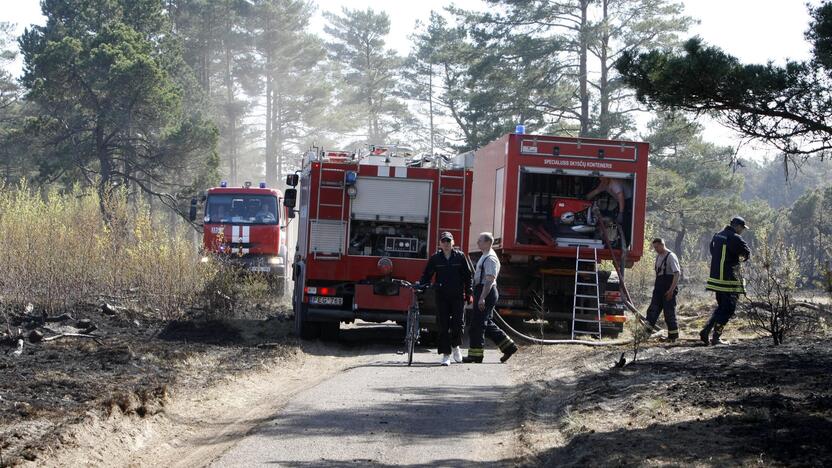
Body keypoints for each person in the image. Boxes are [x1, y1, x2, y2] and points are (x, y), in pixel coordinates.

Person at [419, 232, 473, 366]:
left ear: (453, 243)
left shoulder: (460, 257)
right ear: (440, 243)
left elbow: (468, 276)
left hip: (457, 296)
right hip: (441, 296)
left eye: (449, 241)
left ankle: (456, 346)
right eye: (444, 241)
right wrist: (421, 287)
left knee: (458, 324)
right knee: (443, 325)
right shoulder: (435, 258)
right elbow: (426, 275)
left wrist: (469, 293)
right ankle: (446, 355)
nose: (447, 244)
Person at [463, 232, 518, 364]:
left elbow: (489, 280)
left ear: (487, 242)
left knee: (477, 325)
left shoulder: (491, 258)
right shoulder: (485, 256)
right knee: (485, 323)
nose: (478, 243)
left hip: (485, 292)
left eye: (480, 241)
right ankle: (509, 347)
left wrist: (482, 298)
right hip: (482, 291)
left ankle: (476, 355)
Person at [700, 216, 751, 346]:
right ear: (738, 226)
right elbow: (746, 253)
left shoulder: (717, 236)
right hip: (729, 280)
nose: (742, 231)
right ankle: (716, 338)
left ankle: (706, 331)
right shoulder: (735, 237)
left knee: (721, 307)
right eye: (742, 228)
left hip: (716, 279)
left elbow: (712, 251)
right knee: (729, 309)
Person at [646, 238, 681, 341]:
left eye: (657, 247)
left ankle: (673, 337)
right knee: (652, 311)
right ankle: (644, 335)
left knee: (669, 313)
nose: (655, 249)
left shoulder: (671, 256)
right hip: (658, 289)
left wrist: (671, 290)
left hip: (668, 289)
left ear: (662, 245)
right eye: (654, 247)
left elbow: (677, 273)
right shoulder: (658, 257)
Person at [586, 176, 633, 246]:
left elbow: (621, 197)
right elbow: (595, 192)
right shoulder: (605, 183)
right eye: (600, 178)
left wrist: (621, 213)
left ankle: (624, 244)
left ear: (607, 177)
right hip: (622, 201)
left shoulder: (614, 183)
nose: (600, 179)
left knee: (625, 223)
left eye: (602, 177)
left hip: (629, 201)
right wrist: (585, 198)